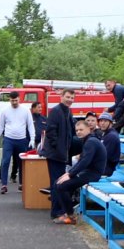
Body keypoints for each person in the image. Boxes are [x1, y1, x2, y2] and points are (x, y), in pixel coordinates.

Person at [50, 117, 107, 224]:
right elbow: (82, 161)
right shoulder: (89, 140)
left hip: (93, 174)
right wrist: (69, 173)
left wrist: (70, 174)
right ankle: (63, 212)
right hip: (87, 172)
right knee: (57, 183)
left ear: (89, 129)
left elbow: (85, 161)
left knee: (61, 186)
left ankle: (70, 215)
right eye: (77, 130)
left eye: (81, 130)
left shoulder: (91, 142)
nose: (78, 132)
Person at [39, 89, 76, 220]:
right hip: (55, 155)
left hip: (63, 154)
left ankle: (60, 210)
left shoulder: (68, 112)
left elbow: (71, 132)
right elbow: (50, 131)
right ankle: (57, 212)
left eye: (72, 97)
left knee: (60, 183)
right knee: (56, 183)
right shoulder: (55, 111)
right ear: (61, 97)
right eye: (67, 97)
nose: (70, 99)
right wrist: (57, 147)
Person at [0, 92, 35, 194]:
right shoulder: (5, 111)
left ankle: (21, 183)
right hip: (9, 139)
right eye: (12, 101)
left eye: (16, 100)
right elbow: (0, 126)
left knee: (21, 162)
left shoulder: (25, 110)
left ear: (19, 99)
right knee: (5, 161)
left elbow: (30, 125)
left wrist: (32, 138)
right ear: (9, 100)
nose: (14, 102)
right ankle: (4, 184)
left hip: (21, 139)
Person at [97, 112, 121, 176]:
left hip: (106, 169)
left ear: (111, 123)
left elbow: (106, 156)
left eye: (105, 121)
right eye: (101, 121)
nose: (102, 123)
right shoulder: (106, 134)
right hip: (104, 167)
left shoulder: (111, 136)